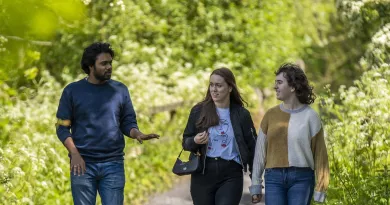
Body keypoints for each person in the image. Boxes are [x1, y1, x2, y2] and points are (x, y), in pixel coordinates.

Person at [55, 42, 159, 205]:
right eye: (104, 63)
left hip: (113, 163)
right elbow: (62, 128)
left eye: (110, 63)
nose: (109, 67)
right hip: (82, 164)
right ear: (90, 66)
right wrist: (74, 154)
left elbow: (127, 121)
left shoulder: (120, 90)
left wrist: (136, 133)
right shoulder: (72, 91)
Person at [250, 63, 330, 204]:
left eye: (280, 82)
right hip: (273, 178)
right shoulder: (270, 115)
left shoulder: (311, 116)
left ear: (293, 87)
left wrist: (321, 188)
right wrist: (256, 184)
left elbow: (320, 156)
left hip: (302, 178)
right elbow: (260, 152)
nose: (275, 87)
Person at [182, 67, 257, 205]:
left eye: (219, 85)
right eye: (211, 85)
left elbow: (253, 148)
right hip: (203, 173)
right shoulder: (198, 111)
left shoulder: (242, 115)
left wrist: (256, 181)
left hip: (231, 174)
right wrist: (195, 140)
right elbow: (185, 143)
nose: (214, 89)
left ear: (230, 88)